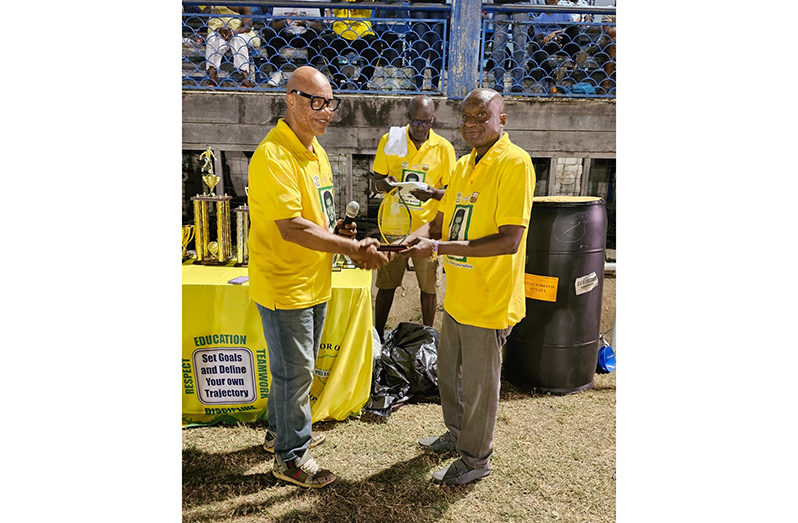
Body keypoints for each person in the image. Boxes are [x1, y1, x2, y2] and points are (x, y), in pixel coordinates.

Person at [247, 66, 389, 488]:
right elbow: (290, 226)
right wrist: (352, 248)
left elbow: (316, 220)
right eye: (317, 102)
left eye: (331, 103)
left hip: (314, 280)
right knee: (297, 373)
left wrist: (337, 233)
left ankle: (280, 434)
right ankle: (290, 458)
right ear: (291, 100)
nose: (327, 112)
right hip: (284, 283)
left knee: (291, 370)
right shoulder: (273, 155)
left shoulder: (316, 152)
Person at [401, 88, 535, 486]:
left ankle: (476, 460)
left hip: (490, 297)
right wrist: (415, 237)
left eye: (482, 117)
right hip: (458, 292)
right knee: (450, 373)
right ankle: (457, 435)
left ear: (502, 120)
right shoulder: (462, 166)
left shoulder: (514, 163)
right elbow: (440, 221)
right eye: (466, 118)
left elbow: (510, 239)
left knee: (479, 386)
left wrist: (437, 246)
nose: (472, 125)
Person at [371, 95, 456, 342]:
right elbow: (376, 180)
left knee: (428, 287)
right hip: (394, 226)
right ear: (407, 118)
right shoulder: (391, 141)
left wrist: (433, 194)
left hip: (428, 230)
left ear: (433, 120)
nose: (420, 128)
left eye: (425, 122)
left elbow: (450, 193)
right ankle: (378, 334)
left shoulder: (444, 148)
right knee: (386, 285)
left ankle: (427, 337)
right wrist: (384, 185)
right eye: (415, 122)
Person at [316, 0, 385, 90]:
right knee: (324, 42)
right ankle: (338, 78)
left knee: (376, 45)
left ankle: (363, 80)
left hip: (362, 33)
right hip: (340, 32)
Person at [258, 1, 328, 88]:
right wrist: (286, 22)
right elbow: (275, 24)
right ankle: (276, 72)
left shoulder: (311, 3)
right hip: (286, 35)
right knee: (269, 32)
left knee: (314, 34)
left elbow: (318, 26)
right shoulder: (280, 3)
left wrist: (304, 22)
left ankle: (311, 71)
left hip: (305, 35)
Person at [530, 0, 581, 92]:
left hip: (563, 41)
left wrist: (556, 33)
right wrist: (548, 39)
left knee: (574, 28)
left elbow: (571, 27)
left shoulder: (564, 13)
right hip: (550, 44)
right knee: (536, 47)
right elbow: (538, 38)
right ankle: (552, 75)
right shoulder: (540, 19)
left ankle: (575, 59)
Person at [203, 5, 255, 88]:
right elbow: (203, 14)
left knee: (238, 40)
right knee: (213, 39)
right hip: (219, 31)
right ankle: (212, 78)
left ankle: (246, 79)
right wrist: (220, 30)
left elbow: (247, 26)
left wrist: (233, 32)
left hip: (240, 33)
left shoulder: (243, 3)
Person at [489, 0, 533, 93]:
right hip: (500, 2)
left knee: (519, 45)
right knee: (498, 45)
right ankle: (499, 85)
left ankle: (517, 85)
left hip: (520, 3)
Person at [408, 0, 447, 91]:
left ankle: (434, 85)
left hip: (438, 4)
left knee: (436, 46)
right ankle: (419, 85)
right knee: (420, 45)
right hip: (419, 4)